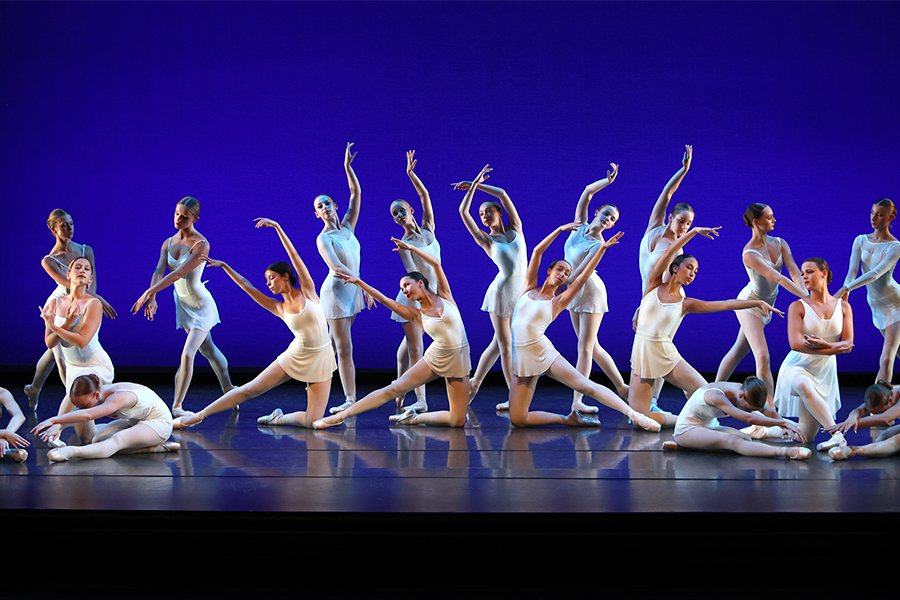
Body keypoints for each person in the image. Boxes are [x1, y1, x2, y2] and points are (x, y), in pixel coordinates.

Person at [175, 218, 335, 429]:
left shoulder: (308, 292)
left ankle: (278, 418)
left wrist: (278, 227)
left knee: (312, 421)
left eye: (272, 278)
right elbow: (248, 287)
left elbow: (294, 256)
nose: (268, 283)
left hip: (322, 356)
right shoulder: (279, 307)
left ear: (286, 276)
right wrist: (226, 267)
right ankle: (197, 416)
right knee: (249, 389)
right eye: (267, 280)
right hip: (297, 355)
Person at [504, 213, 658, 431]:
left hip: (541, 352)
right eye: (559, 269)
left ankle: (636, 415)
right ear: (549, 271)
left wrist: (602, 249)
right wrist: (559, 230)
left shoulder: (558, 301)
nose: (563, 274)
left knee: (586, 386)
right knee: (518, 420)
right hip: (521, 357)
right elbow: (537, 251)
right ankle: (568, 420)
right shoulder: (528, 287)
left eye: (567, 273)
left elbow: (584, 275)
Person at [628, 225, 784, 428]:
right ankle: (685, 422)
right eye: (689, 267)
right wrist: (693, 232)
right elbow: (669, 252)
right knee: (638, 419)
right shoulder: (653, 284)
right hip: (642, 351)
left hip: (664, 354)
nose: (692, 273)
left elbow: (725, 304)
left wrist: (757, 302)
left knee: (709, 394)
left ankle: (769, 416)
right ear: (675, 267)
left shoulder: (685, 303)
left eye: (696, 271)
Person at [313, 235, 470, 429]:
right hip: (437, 357)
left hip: (459, 359)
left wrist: (411, 248)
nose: (404, 291)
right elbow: (385, 300)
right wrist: (360, 283)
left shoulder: (445, 295)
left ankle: (413, 418)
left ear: (420, 282)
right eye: (402, 289)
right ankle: (339, 417)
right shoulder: (416, 315)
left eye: (406, 285)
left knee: (457, 420)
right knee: (393, 389)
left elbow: (436, 263)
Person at [131, 196, 234, 417]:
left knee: (188, 354)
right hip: (184, 304)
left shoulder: (202, 244)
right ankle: (230, 390)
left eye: (184, 217)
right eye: (177, 214)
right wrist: (153, 296)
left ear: (195, 219)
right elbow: (159, 271)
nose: (178, 219)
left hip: (201, 305)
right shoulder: (168, 243)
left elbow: (177, 273)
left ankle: (176, 407)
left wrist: (148, 292)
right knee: (209, 350)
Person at [715, 203, 808, 428]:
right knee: (762, 355)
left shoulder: (781, 243)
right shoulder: (749, 253)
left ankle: (712, 392)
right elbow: (778, 278)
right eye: (769, 217)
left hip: (767, 306)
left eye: (773, 216)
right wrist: (808, 298)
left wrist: (807, 293)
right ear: (756, 222)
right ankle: (768, 408)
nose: (774, 220)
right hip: (749, 305)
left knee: (738, 351)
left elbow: (793, 271)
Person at [25, 209, 116, 410]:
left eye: (71, 224)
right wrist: (98, 300)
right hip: (61, 302)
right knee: (61, 356)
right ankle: (75, 402)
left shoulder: (85, 250)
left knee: (65, 347)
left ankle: (33, 389)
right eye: (64, 225)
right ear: (53, 229)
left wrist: (93, 300)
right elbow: (69, 283)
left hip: (84, 300)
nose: (70, 228)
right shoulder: (49, 260)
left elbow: (90, 282)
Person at [454, 166, 527, 409]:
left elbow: (503, 193)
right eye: (481, 214)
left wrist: (476, 182)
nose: (484, 216)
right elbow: (463, 212)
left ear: (499, 212)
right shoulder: (487, 241)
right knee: (506, 347)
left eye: (488, 211)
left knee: (497, 344)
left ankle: (474, 384)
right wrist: (472, 188)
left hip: (520, 292)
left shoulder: (516, 228)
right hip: (501, 294)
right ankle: (514, 398)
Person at [563, 162, 629, 414]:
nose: (608, 220)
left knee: (585, 347)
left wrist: (557, 283)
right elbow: (587, 192)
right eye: (607, 214)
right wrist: (607, 182)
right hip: (573, 290)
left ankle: (577, 400)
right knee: (591, 345)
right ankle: (622, 387)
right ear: (597, 212)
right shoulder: (578, 225)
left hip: (589, 291)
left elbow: (580, 274)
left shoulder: (599, 244)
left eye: (612, 220)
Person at [773, 257, 854, 448]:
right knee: (802, 384)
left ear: (824, 274)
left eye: (809, 272)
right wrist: (833, 348)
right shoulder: (797, 306)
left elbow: (849, 344)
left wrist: (824, 345)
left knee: (804, 436)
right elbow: (795, 344)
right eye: (802, 273)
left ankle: (764, 429)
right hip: (797, 365)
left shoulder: (843, 306)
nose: (804, 277)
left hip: (824, 372)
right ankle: (837, 435)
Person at [636, 146, 694, 411]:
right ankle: (672, 395)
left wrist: (643, 306)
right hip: (651, 299)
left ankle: (655, 401)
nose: (684, 227)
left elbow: (663, 284)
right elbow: (666, 193)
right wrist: (684, 170)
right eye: (681, 221)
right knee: (652, 350)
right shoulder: (654, 227)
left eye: (688, 224)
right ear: (670, 217)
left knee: (662, 348)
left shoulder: (678, 250)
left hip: (667, 301)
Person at [385, 150, 442, 415]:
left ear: (410, 210)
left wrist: (410, 174)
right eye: (394, 214)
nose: (399, 215)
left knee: (404, 351)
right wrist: (429, 300)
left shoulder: (428, 228)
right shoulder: (403, 244)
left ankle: (399, 391)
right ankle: (421, 400)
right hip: (415, 297)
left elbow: (425, 196)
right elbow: (415, 277)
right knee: (416, 348)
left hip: (432, 293)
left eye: (401, 210)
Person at [315, 143, 368, 415]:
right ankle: (350, 398)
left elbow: (356, 193)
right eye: (319, 206)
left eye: (327, 203)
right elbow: (337, 268)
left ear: (335, 206)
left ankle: (316, 383)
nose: (325, 207)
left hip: (352, 289)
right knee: (344, 348)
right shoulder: (323, 238)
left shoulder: (348, 226)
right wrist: (364, 286)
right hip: (336, 292)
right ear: (317, 214)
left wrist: (347, 167)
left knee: (333, 345)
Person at [41, 256, 115, 445]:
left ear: (91, 279)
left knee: (74, 390)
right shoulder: (54, 303)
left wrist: (56, 327)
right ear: (68, 274)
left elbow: (82, 342)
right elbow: (49, 343)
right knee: (87, 438)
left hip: (96, 366)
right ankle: (123, 428)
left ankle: (54, 429)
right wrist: (66, 324)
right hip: (73, 368)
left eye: (87, 269)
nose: (82, 270)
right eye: (78, 267)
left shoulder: (93, 304)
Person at [31, 375, 178, 462]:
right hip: (136, 421)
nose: (82, 408)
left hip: (159, 424)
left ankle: (71, 452)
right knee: (97, 440)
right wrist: (59, 425)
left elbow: (88, 415)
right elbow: (83, 412)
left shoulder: (119, 396)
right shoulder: (98, 394)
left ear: (96, 395)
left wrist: (54, 420)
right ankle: (153, 448)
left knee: (118, 440)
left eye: (85, 405)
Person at [834, 199, 900, 383]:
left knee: (887, 359)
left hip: (895, 304)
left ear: (891, 217)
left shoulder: (895, 246)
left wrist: (847, 288)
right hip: (876, 305)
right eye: (872, 213)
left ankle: (878, 401)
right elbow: (852, 271)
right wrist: (845, 295)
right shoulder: (861, 240)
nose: (874, 218)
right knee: (897, 353)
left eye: (880, 215)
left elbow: (875, 273)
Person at [662, 378, 810, 459]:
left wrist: (782, 425)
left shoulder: (747, 391)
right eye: (748, 407)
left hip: (709, 426)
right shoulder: (716, 396)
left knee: (746, 440)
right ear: (741, 396)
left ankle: (690, 447)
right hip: (687, 430)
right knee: (732, 441)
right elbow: (747, 418)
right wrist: (782, 423)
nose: (749, 410)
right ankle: (786, 452)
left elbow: (767, 411)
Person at [0, 387, 29, 462]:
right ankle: (6, 453)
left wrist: (6, 435)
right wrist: (3, 433)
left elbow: (19, 415)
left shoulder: (2, 392)